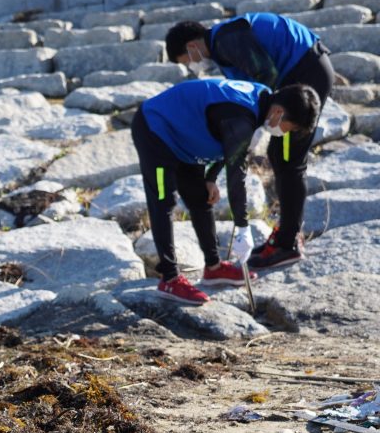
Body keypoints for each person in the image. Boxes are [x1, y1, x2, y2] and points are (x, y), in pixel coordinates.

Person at [165, 13, 335, 269]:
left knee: (288, 159)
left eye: (187, 60)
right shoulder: (224, 44)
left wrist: (253, 125)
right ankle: (286, 235)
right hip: (303, 73)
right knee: (280, 155)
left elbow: (266, 76)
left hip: (304, 75)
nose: (192, 65)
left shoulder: (226, 40)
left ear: (192, 46)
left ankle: (288, 242)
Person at [132, 78, 320, 305]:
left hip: (187, 135)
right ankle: (169, 279)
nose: (286, 133)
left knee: (201, 198)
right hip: (157, 130)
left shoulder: (263, 100)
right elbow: (236, 175)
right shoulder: (241, 118)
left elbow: (228, 142)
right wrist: (242, 228)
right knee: (163, 201)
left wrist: (210, 178)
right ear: (279, 112)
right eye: (290, 127)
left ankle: (213, 268)